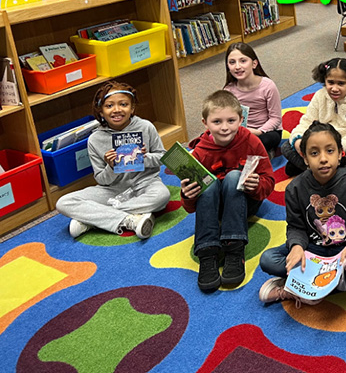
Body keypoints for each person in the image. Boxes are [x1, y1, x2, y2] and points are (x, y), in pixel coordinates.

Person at [259, 121, 346, 305]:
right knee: (268, 259)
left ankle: (297, 289)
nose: (323, 158)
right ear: (305, 158)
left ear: (341, 153)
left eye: (330, 151)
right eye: (314, 153)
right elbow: (296, 227)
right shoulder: (295, 188)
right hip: (312, 251)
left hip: (345, 251)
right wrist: (296, 247)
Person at [179, 90, 275, 292]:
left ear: (241, 119)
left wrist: (256, 185)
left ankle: (234, 247)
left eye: (231, 120)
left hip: (245, 202)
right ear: (205, 123)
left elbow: (269, 181)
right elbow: (190, 207)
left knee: (233, 177)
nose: (224, 127)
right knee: (209, 182)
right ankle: (207, 251)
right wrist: (187, 195)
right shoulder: (199, 153)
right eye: (217, 122)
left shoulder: (251, 141)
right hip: (215, 208)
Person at [56, 81, 170, 240]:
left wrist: (144, 158)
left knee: (162, 196)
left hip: (146, 182)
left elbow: (162, 157)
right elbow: (101, 179)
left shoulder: (146, 126)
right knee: (64, 202)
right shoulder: (95, 139)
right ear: (101, 112)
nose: (117, 110)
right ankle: (130, 219)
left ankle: (94, 219)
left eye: (123, 104)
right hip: (113, 189)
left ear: (132, 108)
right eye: (109, 106)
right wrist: (111, 167)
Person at [281, 58, 346, 177]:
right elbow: (306, 122)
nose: (335, 88)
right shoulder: (320, 96)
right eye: (330, 82)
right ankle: (326, 173)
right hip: (320, 144)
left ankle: (311, 169)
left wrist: (336, 147)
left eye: (341, 83)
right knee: (287, 146)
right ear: (324, 80)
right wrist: (299, 140)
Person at [223, 42, 282, 155]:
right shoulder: (229, 90)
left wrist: (258, 131)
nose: (237, 66)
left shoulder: (268, 86)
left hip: (265, 131)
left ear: (254, 64)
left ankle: (244, 153)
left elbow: (275, 118)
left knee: (266, 140)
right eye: (232, 62)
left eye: (243, 61)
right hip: (240, 132)